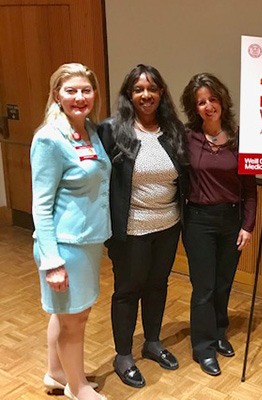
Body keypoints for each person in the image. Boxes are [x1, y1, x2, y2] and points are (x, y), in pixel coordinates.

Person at [98, 64, 188, 388]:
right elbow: (97, 180)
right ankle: (123, 354)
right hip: (131, 229)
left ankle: (152, 342)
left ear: (161, 92)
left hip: (168, 225)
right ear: (129, 94)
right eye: (138, 89)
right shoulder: (112, 130)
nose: (145, 95)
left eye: (151, 88)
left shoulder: (173, 129)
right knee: (127, 291)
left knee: (158, 285)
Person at [31, 63, 110, 400]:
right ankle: (77, 389)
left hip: (88, 241)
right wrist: (52, 261)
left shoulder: (90, 129)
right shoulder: (49, 139)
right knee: (73, 321)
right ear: (56, 96)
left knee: (66, 315)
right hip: (65, 246)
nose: (80, 97)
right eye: (71, 91)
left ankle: (57, 372)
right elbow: (41, 204)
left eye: (86, 90)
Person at [180, 73, 257, 377]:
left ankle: (219, 332)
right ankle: (203, 347)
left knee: (224, 282)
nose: (208, 105)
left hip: (232, 220)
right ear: (194, 108)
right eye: (201, 102)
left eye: (212, 99)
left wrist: (248, 225)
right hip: (199, 221)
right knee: (204, 286)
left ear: (222, 100)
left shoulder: (240, 138)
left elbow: (250, 188)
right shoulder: (188, 138)